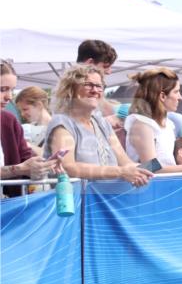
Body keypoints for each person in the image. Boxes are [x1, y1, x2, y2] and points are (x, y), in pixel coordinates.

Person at [43, 64, 153, 187]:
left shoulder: (102, 123)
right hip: (77, 202)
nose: (95, 90)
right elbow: (68, 167)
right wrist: (121, 172)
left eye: (99, 86)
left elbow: (125, 162)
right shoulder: (62, 123)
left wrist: (154, 168)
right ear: (71, 89)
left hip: (106, 200)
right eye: (88, 85)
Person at [124, 68, 182, 184]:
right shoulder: (142, 125)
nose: (180, 97)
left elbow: (169, 163)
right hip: (149, 194)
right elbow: (150, 168)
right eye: (176, 92)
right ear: (162, 96)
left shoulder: (168, 124)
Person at [1, 61, 60, 192]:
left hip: (11, 206)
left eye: (11, 89)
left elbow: (27, 160)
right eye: (2, 89)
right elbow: (23, 166)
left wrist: (41, 167)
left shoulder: (9, 121)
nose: (9, 97)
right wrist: (19, 169)